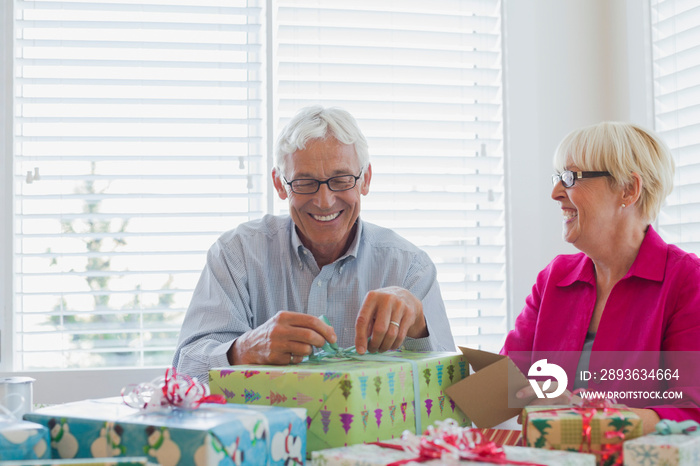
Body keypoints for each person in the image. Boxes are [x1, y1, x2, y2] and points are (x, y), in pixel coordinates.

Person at [173, 105, 455, 384]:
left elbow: (452, 392)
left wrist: (419, 327)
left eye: (341, 180)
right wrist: (244, 350)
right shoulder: (237, 255)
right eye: (305, 182)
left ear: (365, 179)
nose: (324, 201)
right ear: (280, 184)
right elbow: (185, 373)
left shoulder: (410, 269)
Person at [502, 121, 700, 434]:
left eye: (570, 178)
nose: (555, 193)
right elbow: (506, 382)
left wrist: (592, 418)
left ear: (628, 190)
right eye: (557, 178)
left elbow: (691, 413)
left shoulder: (687, 280)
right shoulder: (554, 278)